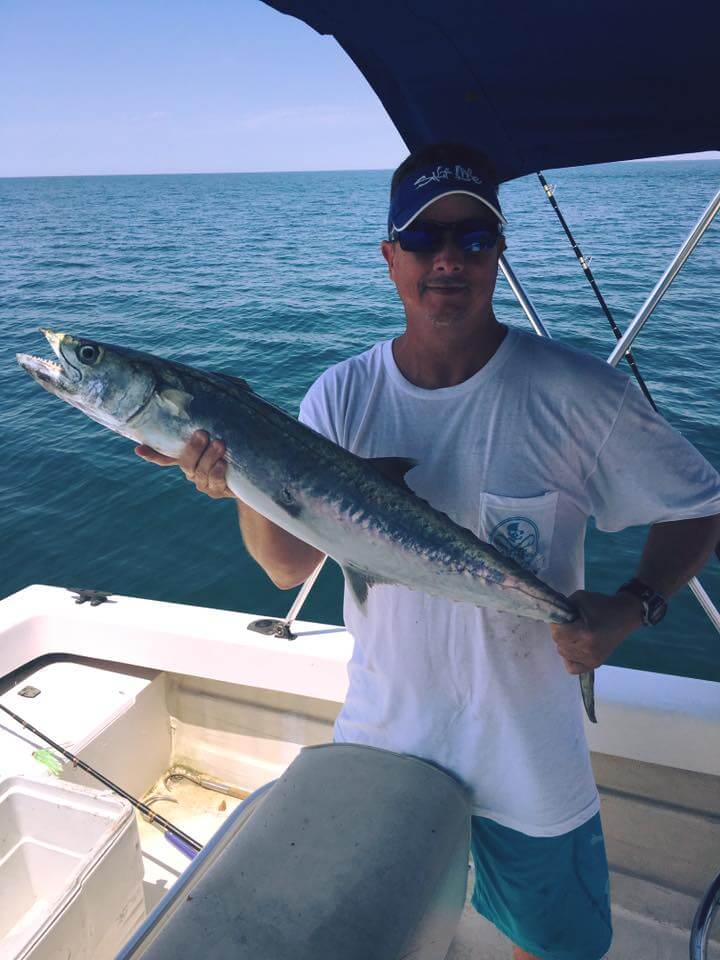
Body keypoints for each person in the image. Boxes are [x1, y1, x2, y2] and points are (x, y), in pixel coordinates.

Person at [136, 144, 720, 960]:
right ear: (390, 256)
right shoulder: (341, 393)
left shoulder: (581, 394)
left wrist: (634, 605)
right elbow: (287, 566)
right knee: (370, 929)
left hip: (529, 754)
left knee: (553, 948)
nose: (447, 257)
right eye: (422, 238)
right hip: (386, 733)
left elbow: (699, 505)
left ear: (499, 253)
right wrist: (234, 483)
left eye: (472, 238)